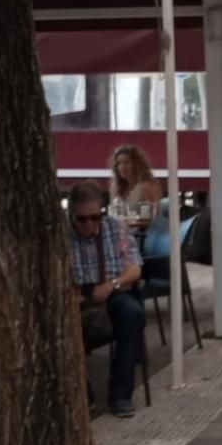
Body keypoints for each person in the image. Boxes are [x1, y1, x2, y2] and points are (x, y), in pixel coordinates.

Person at [68, 179, 145, 418]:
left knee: (132, 314)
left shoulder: (115, 228)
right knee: (61, 328)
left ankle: (121, 394)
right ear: (72, 215)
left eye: (95, 217)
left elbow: (135, 268)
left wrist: (112, 284)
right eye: (82, 219)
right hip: (75, 297)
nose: (89, 224)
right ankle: (83, 394)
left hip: (110, 291)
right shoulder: (60, 235)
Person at [110, 145, 164, 218]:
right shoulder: (115, 187)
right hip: (120, 228)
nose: (122, 167)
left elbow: (153, 214)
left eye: (126, 162)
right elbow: (114, 215)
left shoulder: (147, 187)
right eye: (119, 163)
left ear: (136, 164)